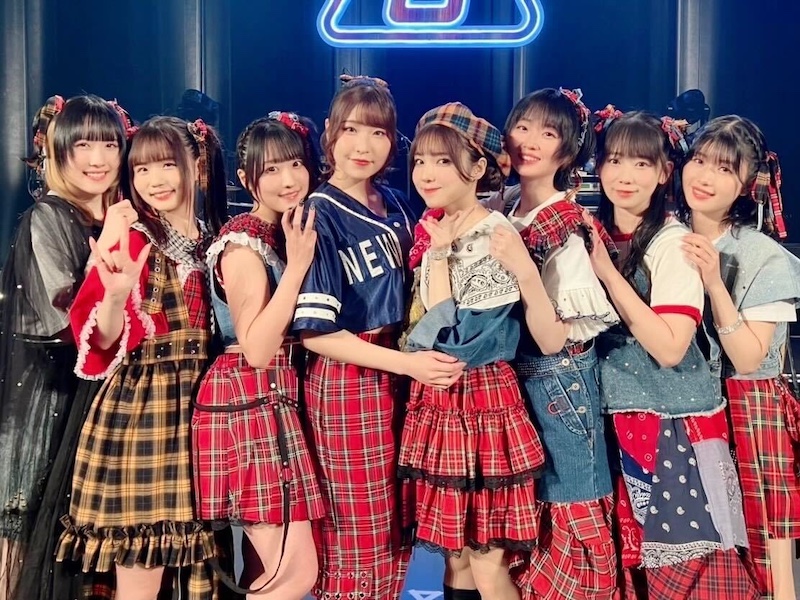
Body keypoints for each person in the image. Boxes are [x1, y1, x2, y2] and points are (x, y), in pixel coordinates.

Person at [291, 74, 465, 599]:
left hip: (401, 369)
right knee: (357, 527)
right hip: (350, 380)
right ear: (330, 132)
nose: (363, 145)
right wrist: (409, 366)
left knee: (396, 525)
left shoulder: (397, 203)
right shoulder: (319, 212)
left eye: (378, 132)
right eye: (350, 130)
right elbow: (316, 334)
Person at [56, 116, 228, 600]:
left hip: (205, 414)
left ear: (197, 165)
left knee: (201, 568)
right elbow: (103, 341)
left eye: (167, 165)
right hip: (145, 414)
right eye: (141, 170)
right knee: (141, 572)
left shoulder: (217, 238)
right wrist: (114, 296)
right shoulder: (132, 239)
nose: (154, 180)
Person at [589, 110, 757, 598]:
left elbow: (669, 346)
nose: (625, 175)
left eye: (642, 163)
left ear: (665, 172)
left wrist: (608, 274)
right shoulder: (596, 234)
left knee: (688, 573)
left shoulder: (673, 243)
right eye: (615, 160)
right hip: (615, 419)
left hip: (672, 423)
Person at [399, 102, 545, 600]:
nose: (426, 173)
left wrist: (440, 255)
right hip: (441, 400)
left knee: (486, 560)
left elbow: (457, 340)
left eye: (443, 161)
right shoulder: (438, 226)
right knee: (455, 555)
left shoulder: (493, 235)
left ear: (478, 167)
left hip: (482, 400)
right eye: (420, 160)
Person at [0, 94, 137, 600]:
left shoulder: (126, 216)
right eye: (83, 145)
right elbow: (70, 319)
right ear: (58, 151)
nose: (98, 158)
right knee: (30, 539)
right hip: (53, 394)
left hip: (110, 397)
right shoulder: (48, 217)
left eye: (109, 145)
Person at [489, 89, 620, 600]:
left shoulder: (566, 224)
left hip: (558, 384)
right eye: (522, 127)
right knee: (511, 535)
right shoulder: (498, 206)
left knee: (566, 515)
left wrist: (523, 269)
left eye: (548, 133)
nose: (530, 142)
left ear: (567, 152)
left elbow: (551, 339)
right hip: (506, 386)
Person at [192, 111, 324, 599]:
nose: (287, 179)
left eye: (295, 164)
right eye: (271, 169)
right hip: (248, 397)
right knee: (295, 573)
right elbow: (257, 347)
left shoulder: (283, 231)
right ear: (248, 180)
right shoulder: (243, 242)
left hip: (270, 397)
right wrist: (298, 267)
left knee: (266, 568)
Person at [679, 114, 800, 600]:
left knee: (768, 557)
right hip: (684, 407)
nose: (705, 176)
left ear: (749, 182)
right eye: (699, 160)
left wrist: (714, 284)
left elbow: (749, 358)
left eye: (725, 168)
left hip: (749, 410)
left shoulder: (761, 254)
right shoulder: (663, 237)